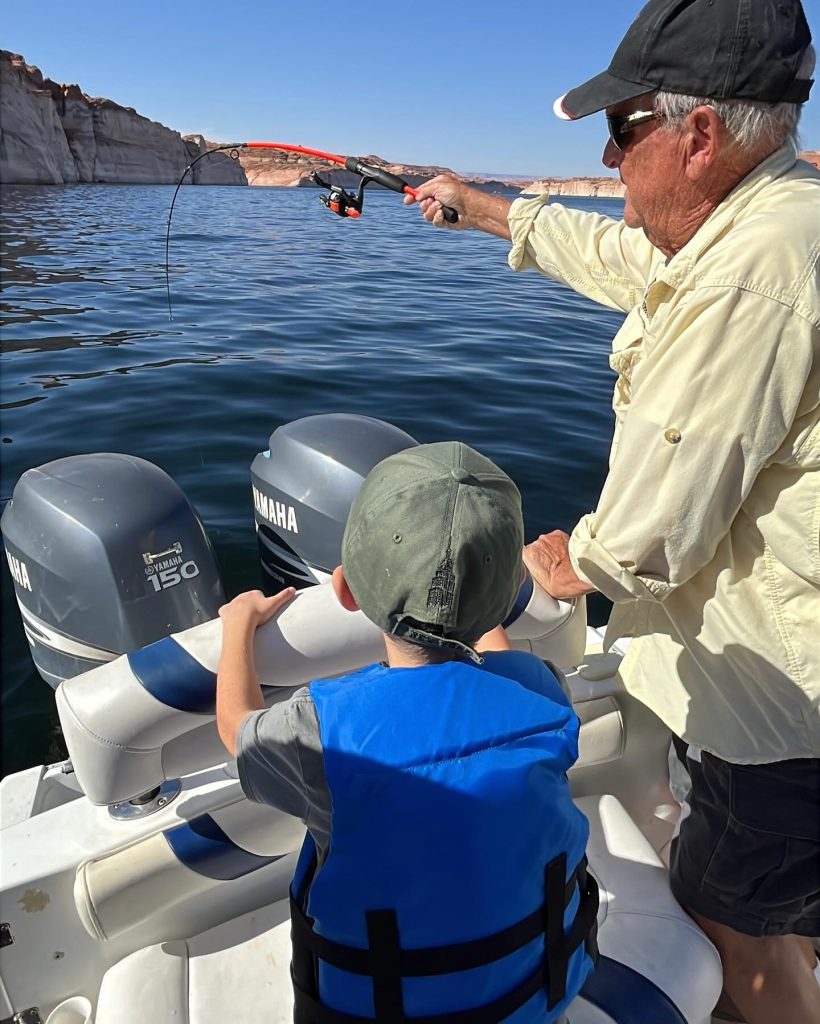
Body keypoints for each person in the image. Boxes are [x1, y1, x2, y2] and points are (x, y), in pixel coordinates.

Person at [406, 2, 820, 1022]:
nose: (607, 150)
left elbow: (652, 534)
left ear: (700, 135)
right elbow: (634, 265)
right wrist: (495, 210)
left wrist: (569, 564)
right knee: (781, 893)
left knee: (736, 928)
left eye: (624, 127)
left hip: (782, 716)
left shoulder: (752, 273)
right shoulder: (769, 223)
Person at [216, 441, 598, 1024]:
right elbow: (495, 669)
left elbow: (237, 731)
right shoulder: (543, 690)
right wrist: (481, 607)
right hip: (530, 1001)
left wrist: (236, 627)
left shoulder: (319, 732)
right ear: (505, 601)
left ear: (343, 591)